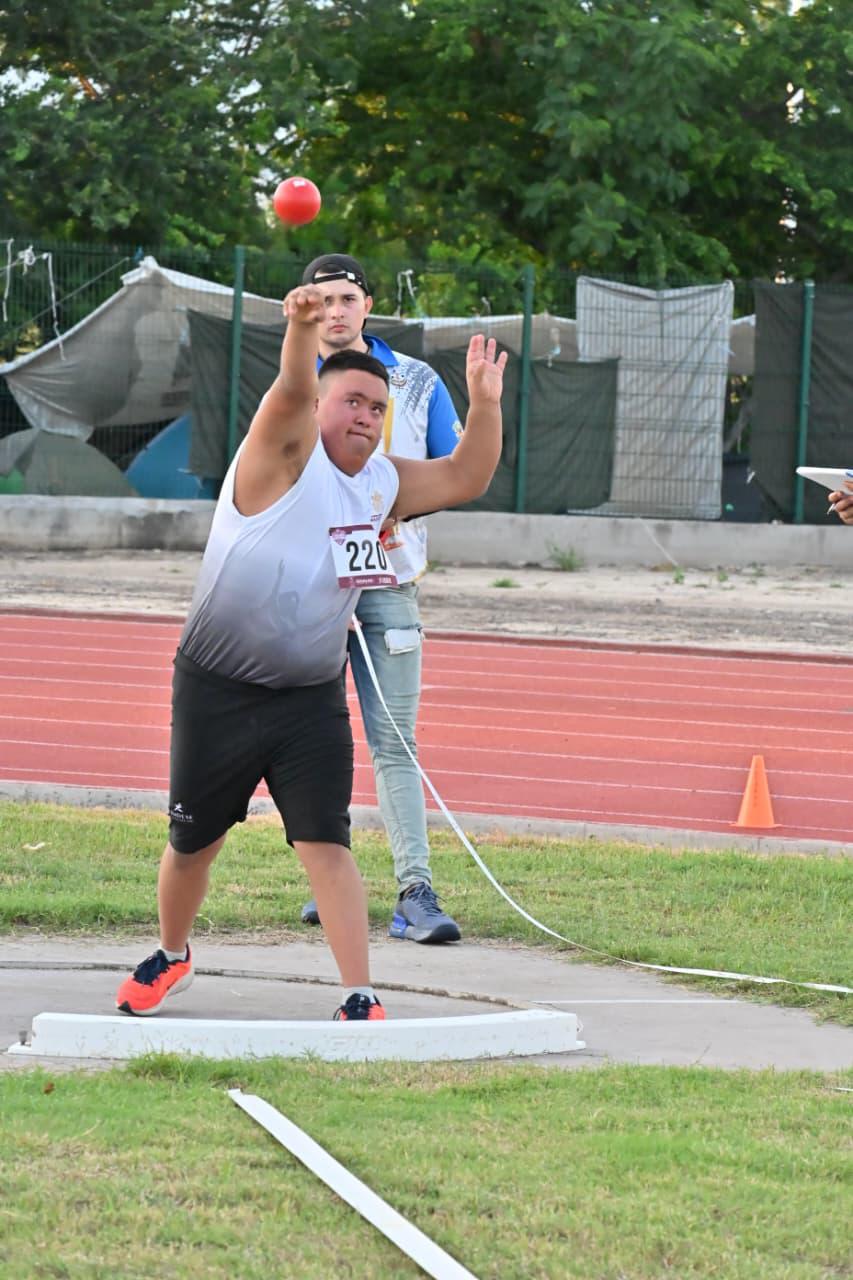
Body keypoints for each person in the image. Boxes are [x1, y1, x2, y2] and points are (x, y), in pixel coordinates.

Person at [115, 282, 506, 1023]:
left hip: (307, 695)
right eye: (352, 402)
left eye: (376, 409)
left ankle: (359, 993)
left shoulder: (381, 482)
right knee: (193, 842)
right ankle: (171, 953)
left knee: (326, 840)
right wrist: (298, 329)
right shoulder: (278, 455)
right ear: (324, 406)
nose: (364, 417)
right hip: (218, 685)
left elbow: (465, 476)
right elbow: (293, 389)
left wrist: (484, 404)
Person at [298, 253, 464, 946]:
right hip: (307, 586)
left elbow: (452, 468)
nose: (335, 311)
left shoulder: (417, 381)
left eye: (346, 297)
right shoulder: (292, 377)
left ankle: (414, 892)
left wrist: (399, 505)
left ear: (368, 303)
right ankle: (331, 885)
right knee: (312, 740)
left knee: (395, 741)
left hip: (390, 584)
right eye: (322, 299)